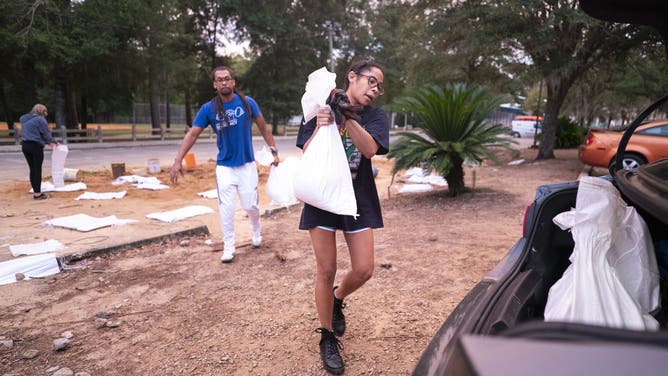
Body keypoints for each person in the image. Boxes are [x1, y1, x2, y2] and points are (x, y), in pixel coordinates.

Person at [296, 60, 389, 375]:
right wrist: (323, 126)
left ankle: (338, 298)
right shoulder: (320, 105)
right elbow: (306, 152)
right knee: (326, 269)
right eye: (371, 81)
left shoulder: (375, 116)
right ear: (352, 77)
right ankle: (326, 337)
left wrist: (347, 117)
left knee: (364, 269)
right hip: (323, 199)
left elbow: (369, 149)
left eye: (379, 86)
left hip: (357, 198)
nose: (374, 90)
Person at [170, 66, 279, 263]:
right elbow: (192, 134)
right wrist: (178, 160)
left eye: (227, 79)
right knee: (226, 208)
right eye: (219, 80)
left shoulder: (247, 103)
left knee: (250, 206)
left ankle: (256, 229)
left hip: (246, 165)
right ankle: (229, 247)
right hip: (225, 168)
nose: (224, 82)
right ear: (215, 85)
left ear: (233, 82)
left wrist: (273, 151)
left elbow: (263, 127)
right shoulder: (208, 109)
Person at [20, 104, 58, 200]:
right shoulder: (40, 120)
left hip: (25, 145)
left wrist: (47, 142)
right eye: (45, 111)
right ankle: (38, 194)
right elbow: (46, 133)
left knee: (32, 169)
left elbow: (34, 132)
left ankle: (35, 189)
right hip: (35, 147)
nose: (46, 113)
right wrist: (54, 142)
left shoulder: (23, 119)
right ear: (41, 111)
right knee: (37, 169)